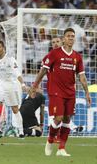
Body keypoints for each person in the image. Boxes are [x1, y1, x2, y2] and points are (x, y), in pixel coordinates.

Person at [29, 28, 91, 157]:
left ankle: (61, 148)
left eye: (72, 36)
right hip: (56, 91)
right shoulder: (54, 54)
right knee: (58, 118)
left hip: (70, 93)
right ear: (64, 38)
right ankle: (50, 140)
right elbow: (43, 71)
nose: (70, 38)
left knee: (67, 119)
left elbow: (82, 77)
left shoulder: (77, 57)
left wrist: (87, 92)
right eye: (68, 36)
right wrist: (34, 86)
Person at [0, 40, 27, 139]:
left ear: (3, 48)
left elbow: (17, 73)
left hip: (10, 87)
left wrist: (22, 84)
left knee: (15, 109)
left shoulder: (10, 59)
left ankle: (21, 131)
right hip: (0, 87)